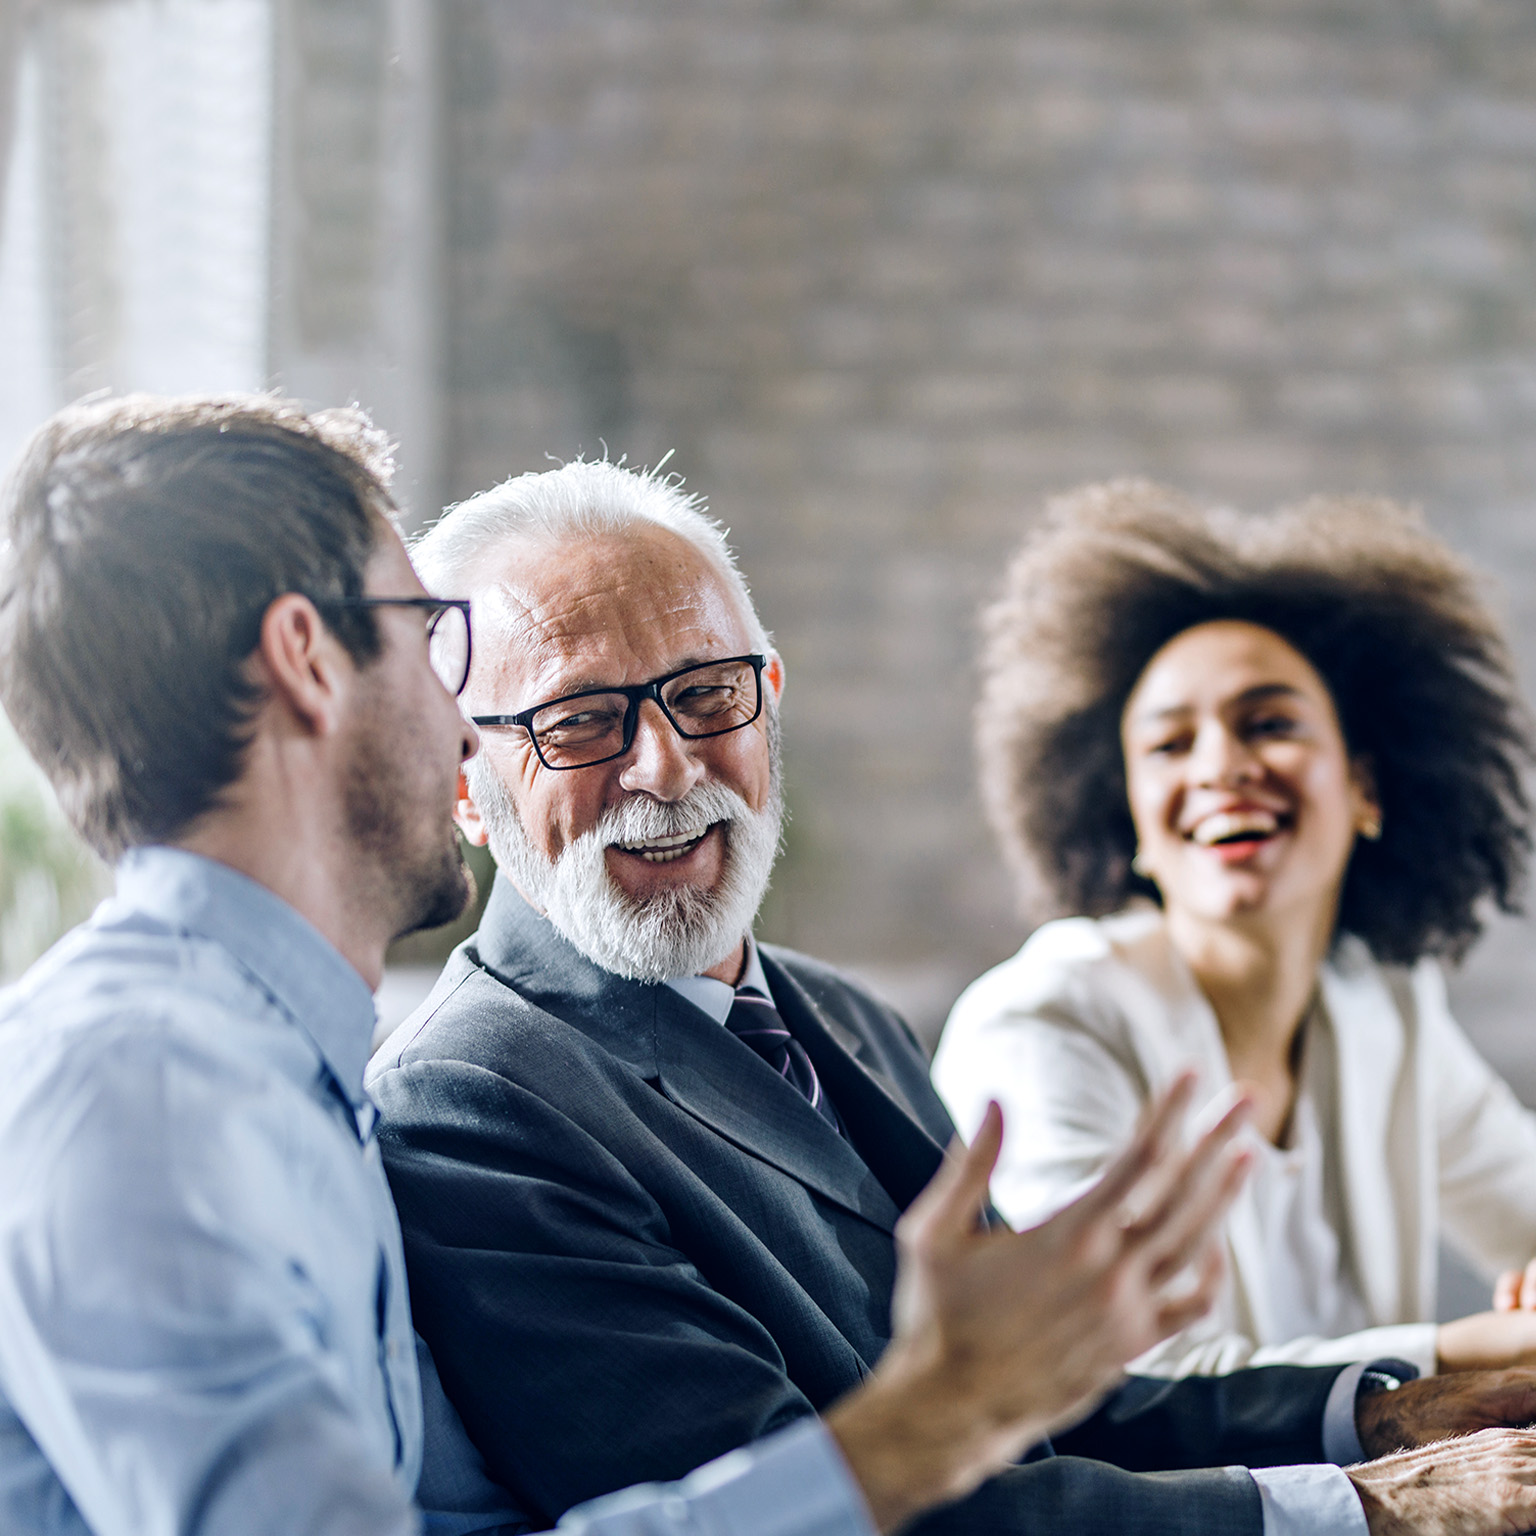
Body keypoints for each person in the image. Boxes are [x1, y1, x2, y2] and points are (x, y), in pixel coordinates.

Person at [0, 394, 1253, 1536]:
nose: (456, 722)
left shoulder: (269, 1069)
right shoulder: (149, 1090)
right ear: (307, 658)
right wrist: (930, 1421)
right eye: (426, 634)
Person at [372, 456, 1536, 1536]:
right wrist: (1358, 1507)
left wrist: (1390, 1414)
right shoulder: (471, 1106)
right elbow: (824, 1507)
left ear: (769, 703)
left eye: (706, 694)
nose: (667, 768)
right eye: (581, 723)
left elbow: (1047, 1410)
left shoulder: (841, 1014)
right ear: (465, 786)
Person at [933, 478, 1536, 1383]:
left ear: (1367, 790)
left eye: (1269, 723)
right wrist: (1456, 1353)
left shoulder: (1384, 1004)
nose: (1222, 766)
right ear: (1132, 821)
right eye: (1171, 745)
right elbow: (1131, 1389)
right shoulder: (1045, 1024)